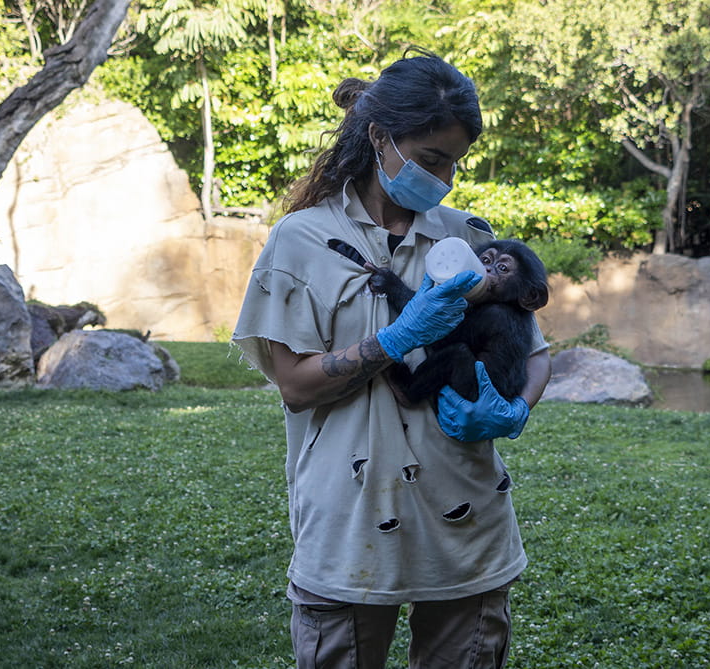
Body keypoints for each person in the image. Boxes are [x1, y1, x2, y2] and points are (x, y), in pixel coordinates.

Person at [233, 50, 551, 669]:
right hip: (349, 523)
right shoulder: (302, 240)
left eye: (455, 162)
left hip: (466, 518)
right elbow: (295, 386)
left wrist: (514, 410)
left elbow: (535, 355)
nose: (445, 177)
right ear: (380, 137)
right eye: (431, 159)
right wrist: (394, 339)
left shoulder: (470, 238)